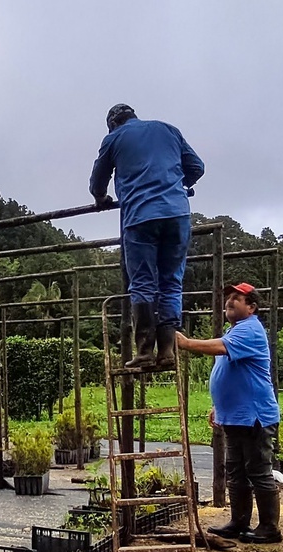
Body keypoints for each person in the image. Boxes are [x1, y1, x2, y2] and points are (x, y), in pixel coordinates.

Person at [89, 103, 205, 368]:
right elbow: (196, 167)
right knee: (171, 282)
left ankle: (144, 352)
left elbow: (97, 183)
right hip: (177, 214)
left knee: (141, 282)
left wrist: (101, 199)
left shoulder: (113, 139)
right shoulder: (168, 130)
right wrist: (178, 186)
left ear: (113, 124)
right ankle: (167, 351)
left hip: (140, 216)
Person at [176, 283, 282, 544]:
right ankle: (238, 522)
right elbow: (230, 371)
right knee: (235, 471)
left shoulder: (250, 330)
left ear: (251, 307)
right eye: (228, 298)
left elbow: (219, 348)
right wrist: (218, 406)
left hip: (254, 417)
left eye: (237, 298)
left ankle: (270, 528)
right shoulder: (234, 331)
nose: (230, 301)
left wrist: (186, 343)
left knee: (257, 471)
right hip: (235, 416)